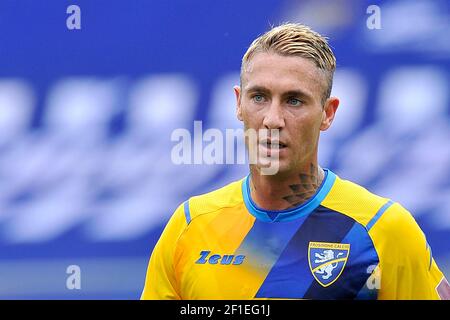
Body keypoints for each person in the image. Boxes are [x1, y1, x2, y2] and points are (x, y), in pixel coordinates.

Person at [141, 23, 450, 300]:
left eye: (294, 101)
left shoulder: (383, 229)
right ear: (238, 103)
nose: (272, 119)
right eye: (259, 97)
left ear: (328, 113)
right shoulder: (190, 225)